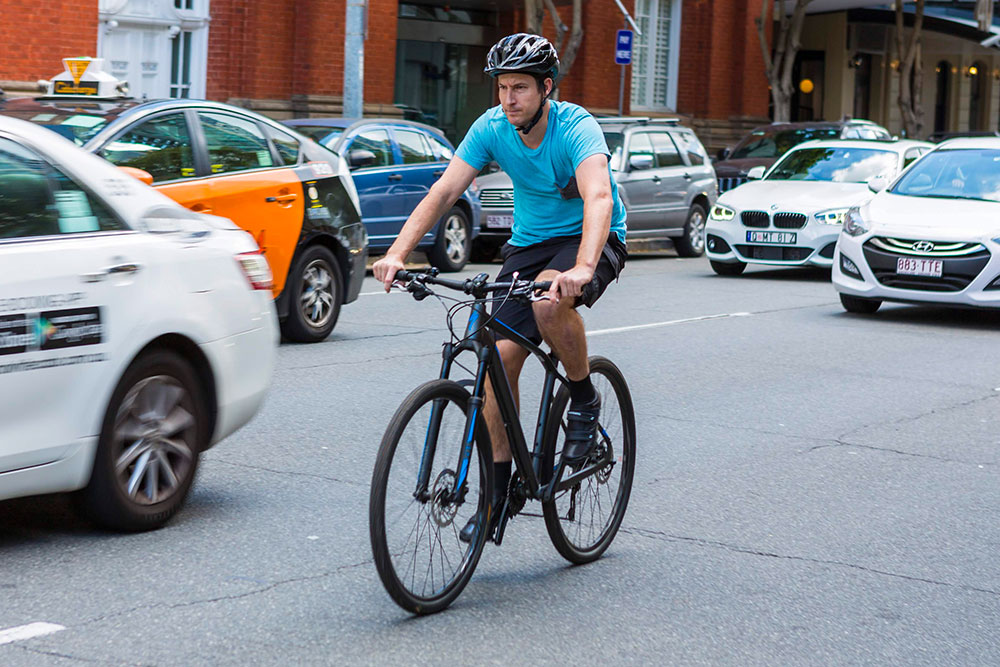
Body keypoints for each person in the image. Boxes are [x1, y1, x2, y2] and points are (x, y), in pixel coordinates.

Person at [372, 33, 628, 542]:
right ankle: (498, 492)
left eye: (520, 88)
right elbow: (446, 189)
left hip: (591, 239)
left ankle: (583, 400)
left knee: (548, 301)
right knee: (493, 356)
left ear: (545, 88)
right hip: (528, 244)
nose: (507, 98)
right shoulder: (491, 128)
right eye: (502, 87)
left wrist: (581, 266)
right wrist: (398, 254)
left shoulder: (575, 126)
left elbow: (597, 194)